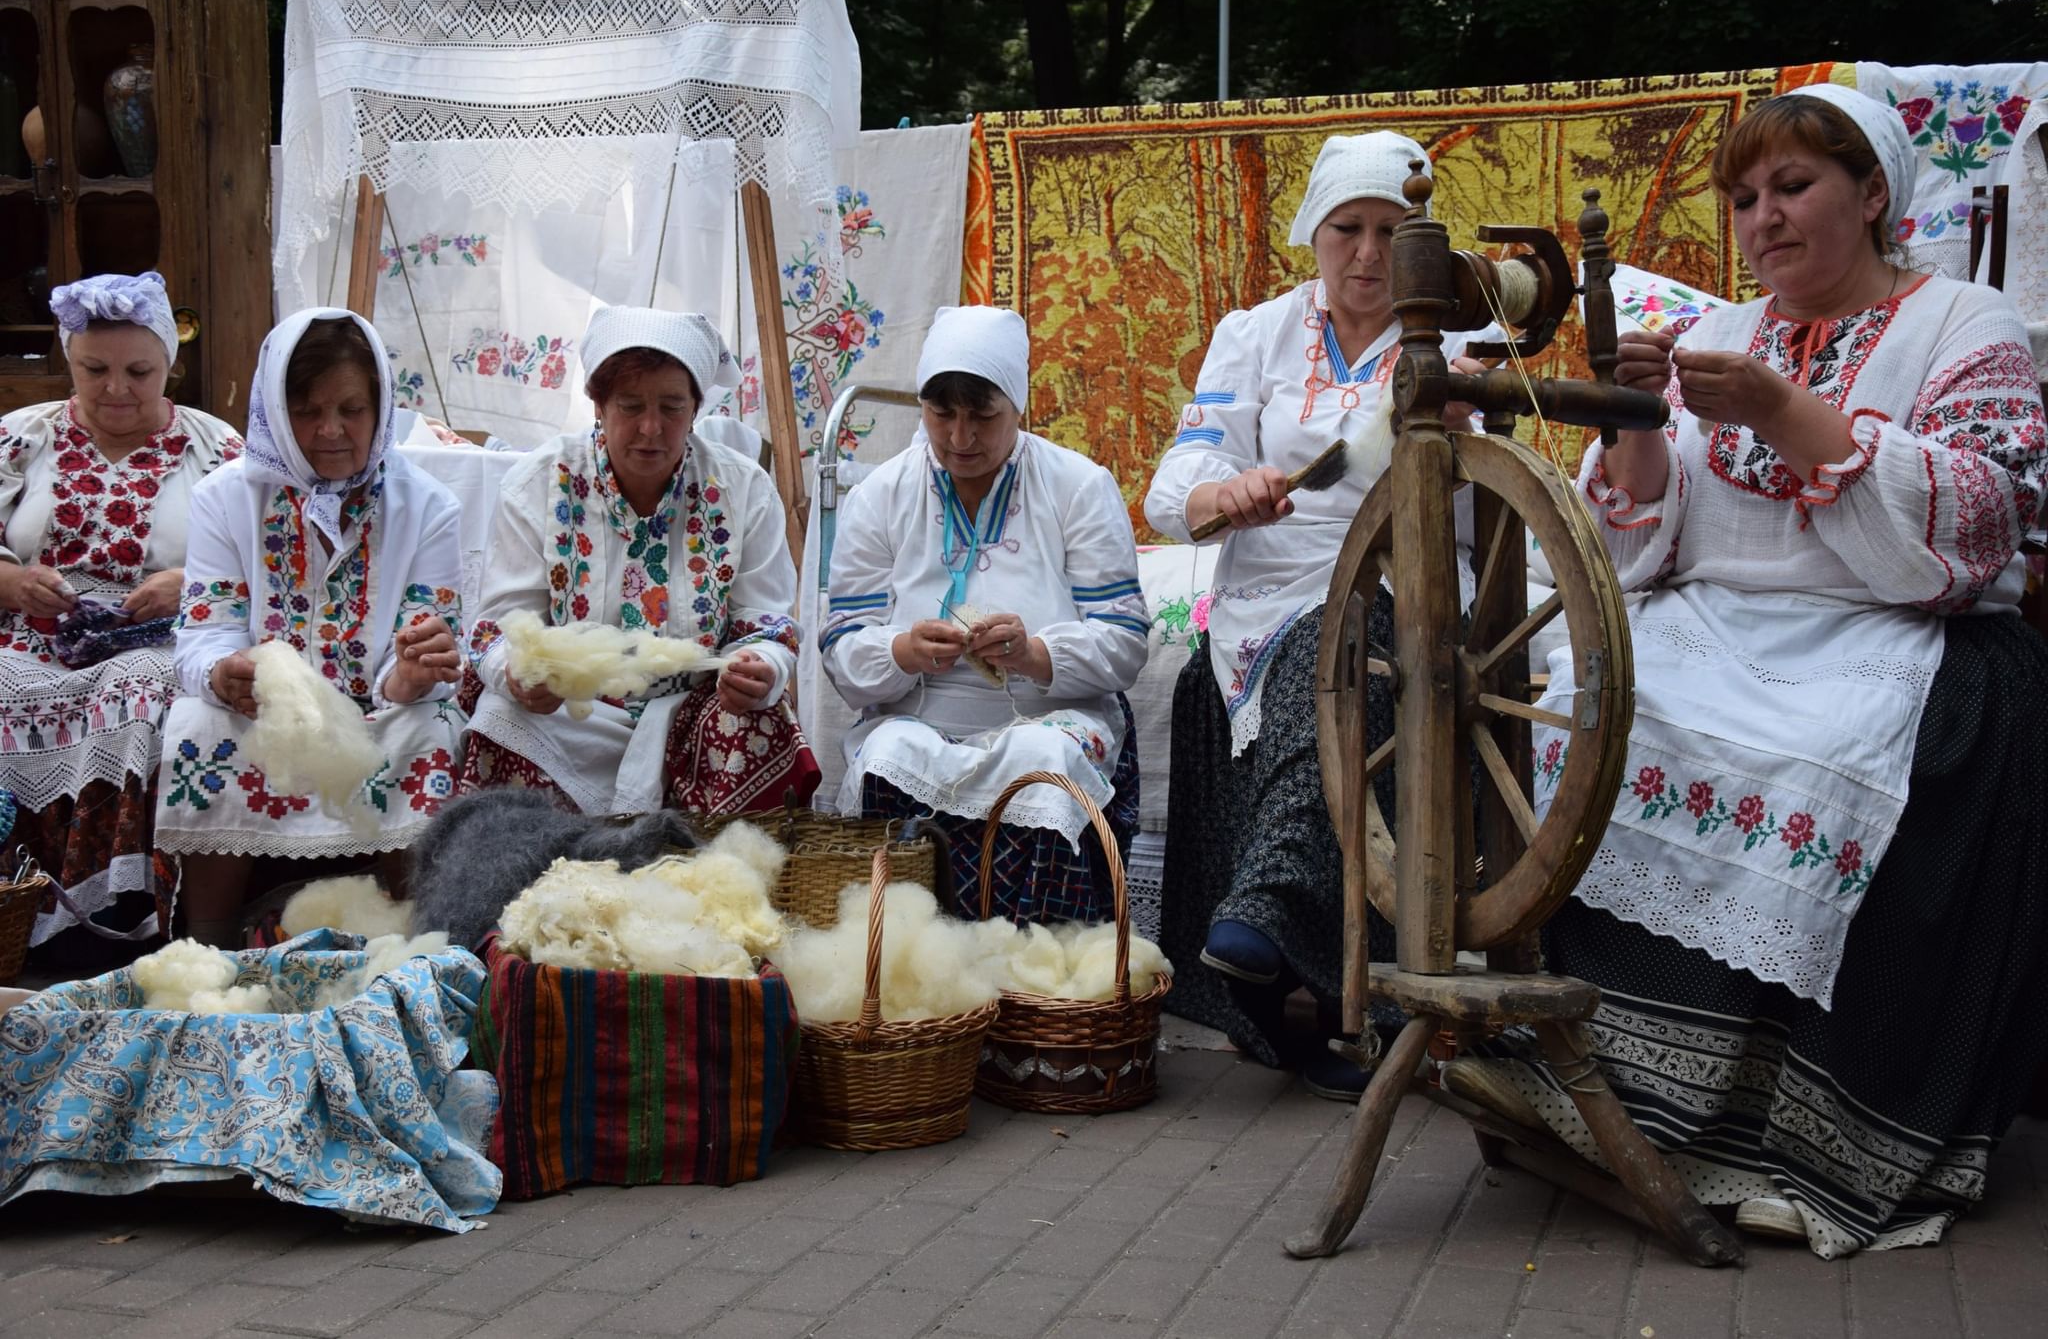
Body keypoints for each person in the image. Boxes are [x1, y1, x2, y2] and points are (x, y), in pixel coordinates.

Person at [1447, 85, 2048, 1257]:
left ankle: (1800, 1144)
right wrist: (1632, 418)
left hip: (1892, 633)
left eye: (1791, 187)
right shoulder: (1718, 332)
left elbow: (1979, 525)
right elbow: (1630, 545)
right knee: (1571, 709)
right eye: (1741, 199)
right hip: (1714, 624)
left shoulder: (1964, 326)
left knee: (1822, 763)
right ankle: (1587, 1086)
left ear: (1872, 197)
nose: (1761, 219)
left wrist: (1788, 413)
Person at [1143, 133, 1488, 1098]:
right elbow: (1174, 487)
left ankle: (1265, 919)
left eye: (1390, 231)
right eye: (1349, 229)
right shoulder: (1252, 335)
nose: (1370, 254)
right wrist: (1229, 493)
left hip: (1399, 579)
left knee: (1347, 649)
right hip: (1264, 589)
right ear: (1315, 233)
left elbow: (1485, 509)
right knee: (1250, 668)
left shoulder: (1449, 346)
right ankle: (1266, 973)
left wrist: (1452, 448)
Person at [819, 305, 1149, 922]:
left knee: (1046, 763)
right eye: (942, 414)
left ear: (1018, 406)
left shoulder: (1078, 486)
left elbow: (1125, 641)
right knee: (889, 756)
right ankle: (909, 960)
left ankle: (1034, 976)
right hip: (920, 715)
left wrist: (1033, 654)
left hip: (1052, 716)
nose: (961, 438)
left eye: (984, 415)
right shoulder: (880, 497)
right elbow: (842, 643)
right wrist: (902, 651)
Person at [156, 309, 466, 944]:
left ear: (381, 408)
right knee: (196, 720)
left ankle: (409, 936)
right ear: (273, 408)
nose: (330, 430)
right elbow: (204, 630)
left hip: (380, 713)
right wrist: (223, 672)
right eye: (305, 410)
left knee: (431, 725)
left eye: (351, 409)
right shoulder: (224, 498)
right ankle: (208, 942)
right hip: (259, 713)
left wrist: (405, 678)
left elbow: (428, 638)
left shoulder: (430, 507)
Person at [462, 307, 819, 815]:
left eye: (672, 407)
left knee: (763, 722)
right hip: (570, 715)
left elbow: (766, 623)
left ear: (697, 408)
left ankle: (711, 885)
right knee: (499, 714)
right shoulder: (539, 483)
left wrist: (762, 665)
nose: (651, 428)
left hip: (693, 713)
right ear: (597, 405)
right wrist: (516, 672)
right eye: (630, 406)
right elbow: (499, 626)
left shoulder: (742, 490)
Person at [0, 272, 241, 955]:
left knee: (140, 690)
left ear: (171, 362)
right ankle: (16, 911)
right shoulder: (21, 438)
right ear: (68, 360)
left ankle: (120, 915)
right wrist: (14, 583)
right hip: (30, 642)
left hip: (163, 641)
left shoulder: (217, 450)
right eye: (93, 369)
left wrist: (190, 584)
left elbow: (264, 560)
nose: (115, 389)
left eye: (140, 371)